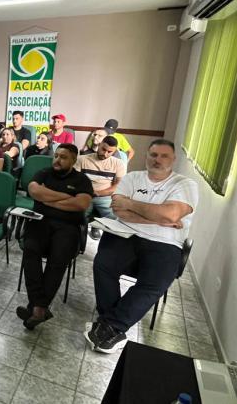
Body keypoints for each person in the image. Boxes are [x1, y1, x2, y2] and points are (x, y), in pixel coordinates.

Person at [85, 139, 198, 354]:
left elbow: (172, 214)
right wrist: (160, 218)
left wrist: (132, 204)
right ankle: (112, 326)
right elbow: (119, 210)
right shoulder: (132, 178)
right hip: (125, 234)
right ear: (146, 155)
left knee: (155, 283)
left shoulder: (185, 185)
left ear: (173, 159)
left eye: (164, 156)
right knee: (103, 265)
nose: (157, 160)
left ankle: (109, 325)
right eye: (153, 155)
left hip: (166, 243)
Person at [16, 144, 93, 330]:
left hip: (68, 227)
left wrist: (47, 200)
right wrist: (67, 197)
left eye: (63, 157)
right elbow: (34, 191)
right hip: (40, 222)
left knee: (58, 260)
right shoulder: (44, 173)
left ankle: (36, 307)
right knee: (30, 251)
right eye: (56, 155)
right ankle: (40, 308)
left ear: (73, 160)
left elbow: (81, 204)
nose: (57, 160)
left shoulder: (82, 179)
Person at [74, 136, 126, 239]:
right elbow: (75, 180)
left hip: (105, 197)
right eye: (103, 149)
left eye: (110, 152)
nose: (105, 154)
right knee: (78, 217)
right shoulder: (82, 159)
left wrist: (98, 193)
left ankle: (107, 244)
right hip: (85, 195)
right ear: (100, 144)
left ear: (114, 151)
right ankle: (79, 242)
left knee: (116, 219)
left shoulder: (118, 163)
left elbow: (118, 185)